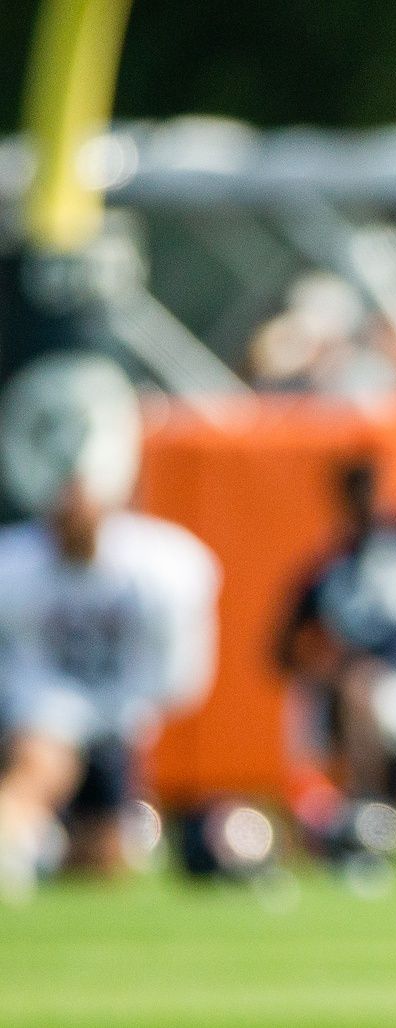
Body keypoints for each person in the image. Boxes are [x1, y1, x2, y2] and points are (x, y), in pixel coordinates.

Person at [0, 354, 220, 902]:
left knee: (103, 865)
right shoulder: (18, 565)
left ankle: (42, 850)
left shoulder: (158, 565)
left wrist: (126, 712)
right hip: (45, 710)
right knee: (39, 762)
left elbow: (179, 673)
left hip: (118, 716)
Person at [275, 366, 396, 814]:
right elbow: (280, 651)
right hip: (352, 692)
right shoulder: (326, 570)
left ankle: (383, 811)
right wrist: (323, 665)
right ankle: (360, 810)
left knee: (368, 692)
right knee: (352, 689)